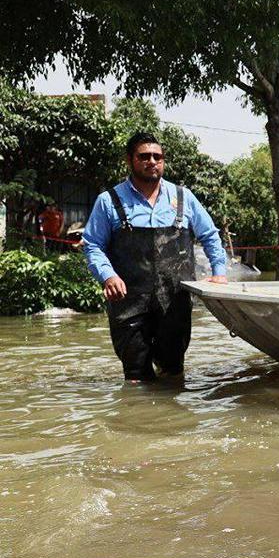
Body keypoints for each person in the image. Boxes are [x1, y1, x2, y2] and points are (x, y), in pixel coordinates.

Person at [83, 132, 228, 381]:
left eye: (157, 156)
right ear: (130, 160)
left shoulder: (184, 198)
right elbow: (92, 245)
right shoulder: (109, 201)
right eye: (144, 156)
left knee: (173, 371)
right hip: (127, 300)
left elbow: (211, 236)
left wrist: (219, 272)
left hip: (174, 300)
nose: (152, 161)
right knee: (136, 374)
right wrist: (108, 276)